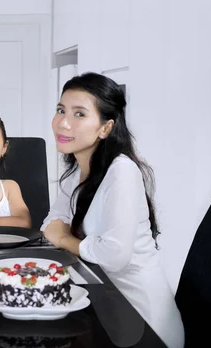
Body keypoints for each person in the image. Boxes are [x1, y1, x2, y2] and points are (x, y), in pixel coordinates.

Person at [41, 72, 183, 348]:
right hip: (104, 300)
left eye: (79, 114)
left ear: (105, 128)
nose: (63, 122)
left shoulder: (122, 172)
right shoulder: (75, 173)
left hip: (140, 318)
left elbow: (114, 255)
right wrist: (68, 237)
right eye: (61, 110)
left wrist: (65, 239)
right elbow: (49, 223)